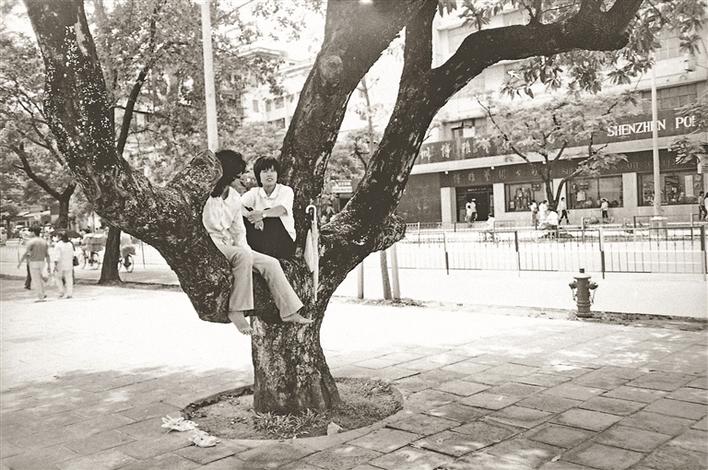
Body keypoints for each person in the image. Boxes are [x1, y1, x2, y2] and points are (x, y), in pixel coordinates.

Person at [202, 149, 313, 336]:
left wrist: (248, 250)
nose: (241, 180)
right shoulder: (205, 196)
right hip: (210, 244)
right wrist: (255, 220)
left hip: (238, 244)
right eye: (238, 176)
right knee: (243, 255)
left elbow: (238, 230)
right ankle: (236, 310)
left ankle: (289, 311)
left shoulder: (235, 197)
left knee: (270, 263)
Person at [241, 156, 296, 259]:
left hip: (284, 242)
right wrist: (252, 216)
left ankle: (268, 259)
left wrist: (262, 215)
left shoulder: (286, 191)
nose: (269, 174)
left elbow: (281, 210)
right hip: (261, 240)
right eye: (265, 171)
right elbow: (237, 206)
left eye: (273, 171)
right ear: (258, 175)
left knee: (270, 216)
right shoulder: (255, 192)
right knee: (243, 216)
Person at [17, 226, 51, 301]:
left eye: (31, 232)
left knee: (36, 280)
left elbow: (26, 253)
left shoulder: (31, 242)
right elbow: (47, 255)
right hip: (42, 261)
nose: (30, 233)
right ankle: (43, 293)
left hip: (33, 262)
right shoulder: (44, 241)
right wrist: (49, 265)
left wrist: (20, 262)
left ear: (33, 232)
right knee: (39, 278)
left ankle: (40, 297)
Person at [55, 231, 75, 298]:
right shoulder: (70, 244)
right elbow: (72, 254)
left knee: (58, 278)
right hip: (69, 264)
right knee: (69, 279)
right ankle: (69, 293)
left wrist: (55, 265)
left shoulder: (58, 245)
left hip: (60, 264)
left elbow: (57, 256)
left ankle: (61, 291)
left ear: (60, 237)